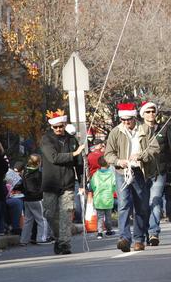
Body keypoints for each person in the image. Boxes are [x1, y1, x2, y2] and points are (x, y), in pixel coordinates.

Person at [104, 102, 159, 253]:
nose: (126, 122)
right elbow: (108, 153)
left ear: (134, 117)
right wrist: (118, 161)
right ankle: (124, 238)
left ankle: (139, 239)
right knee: (123, 205)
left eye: (129, 119)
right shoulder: (116, 132)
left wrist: (141, 156)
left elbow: (155, 149)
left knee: (141, 206)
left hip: (139, 172)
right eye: (123, 119)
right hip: (122, 172)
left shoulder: (146, 129)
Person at [41, 109, 85, 256]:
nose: (59, 129)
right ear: (52, 127)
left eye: (61, 126)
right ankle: (59, 238)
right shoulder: (46, 139)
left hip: (68, 182)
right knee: (49, 213)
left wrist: (83, 183)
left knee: (66, 214)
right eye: (56, 127)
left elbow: (79, 162)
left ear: (65, 124)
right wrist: (73, 154)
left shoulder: (72, 140)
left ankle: (64, 244)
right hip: (50, 183)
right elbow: (53, 157)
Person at [139, 102, 171, 247]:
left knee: (155, 201)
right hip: (141, 171)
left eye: (153, 111)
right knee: (142, 203)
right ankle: (141, 232)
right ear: (142, 114)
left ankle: (153, 232)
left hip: (159, 171)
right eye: (147, 111)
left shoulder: (164, 129)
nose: (150, 114)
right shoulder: (138, 130)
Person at [19, 153, 49, 245]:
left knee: (28, 220)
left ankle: (24, 240)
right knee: (42, 219)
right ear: (39, 162)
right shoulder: (38, 173)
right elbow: (42, 186)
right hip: (37, 198)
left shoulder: (25, 172)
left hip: (27, 199)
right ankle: (41, 238)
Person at [89, 157, 117, 240]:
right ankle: (109, 230)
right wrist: (112, 191)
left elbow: (93, 186)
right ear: (108, 163)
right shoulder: (111, 174)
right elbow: (114, 185)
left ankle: (100, 232)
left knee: (100, 217)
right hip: (108, 198)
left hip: (98, 199)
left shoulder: (96, 174)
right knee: (108, 217)